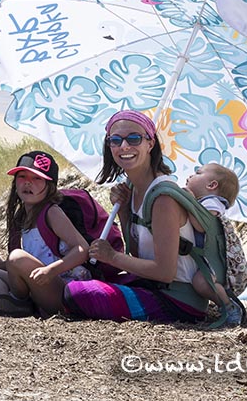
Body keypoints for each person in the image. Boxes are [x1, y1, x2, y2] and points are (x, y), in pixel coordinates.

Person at [64, 110, 211, 323]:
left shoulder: (163, 198)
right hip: (153, 284)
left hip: (178, 300)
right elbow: (136, 252)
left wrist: (112, 257)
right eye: (115, 140)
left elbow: (165, 271)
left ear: (150, 144)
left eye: (134, 138)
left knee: (77, 293)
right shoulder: (135, 188)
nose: (124, 146)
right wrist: (123, 211)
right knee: (86, 282)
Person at [0, 151, 90, 317]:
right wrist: (1, 265)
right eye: (22, 176)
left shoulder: (52, 212)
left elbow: (83, 249)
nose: (28, 183)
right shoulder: (22, 216)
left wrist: (50, 271)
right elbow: (33, 258)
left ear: (50, 186)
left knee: (16, 257)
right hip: (36, 284)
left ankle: (17, 302)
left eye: (37, 178)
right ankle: (5, 303)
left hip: (61, 289)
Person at [185, 162, 241, 320]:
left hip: (216, 263)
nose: (190, 175)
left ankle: (229, 306)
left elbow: (202, 226)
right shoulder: (205, 202)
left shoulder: (212, 203)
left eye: (197, 172)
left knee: (201, 282)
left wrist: (188, 200)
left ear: (212, 185)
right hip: (208, 259)